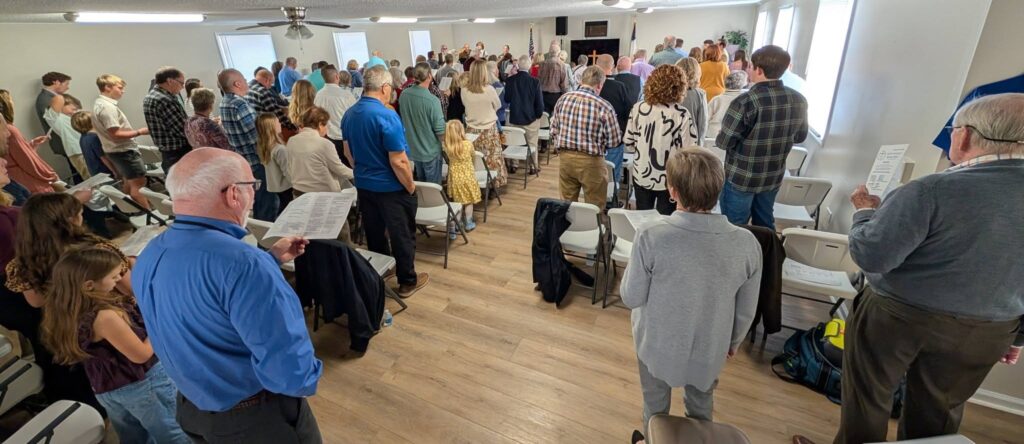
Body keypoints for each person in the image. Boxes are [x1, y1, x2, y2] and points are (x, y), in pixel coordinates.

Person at [795, 94, 1024, 444]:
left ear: (964, 136)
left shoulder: (930, 190)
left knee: (868, 398)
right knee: (939, 413)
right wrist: (1017, 336)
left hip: (899, 316)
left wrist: (865, 213)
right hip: (990, 329)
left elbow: (871, 256)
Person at [132, 148, 322, 442]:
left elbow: (202, 300)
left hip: (191, 407)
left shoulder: (149, 254)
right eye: (252, 186)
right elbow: (291, 373)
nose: (254, 195)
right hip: (254, 420)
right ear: (234, 194)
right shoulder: (244, 264)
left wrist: (269, 260)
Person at [621, 147, 761, 440]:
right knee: (701, 411)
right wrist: (733, 341)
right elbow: (746, 310)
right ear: (719, 189)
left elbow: (631, 297)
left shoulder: (651, 235)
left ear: (672, 191)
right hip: (710, 346)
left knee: (654, 408)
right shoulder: (747, 244)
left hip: (656, 343)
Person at [41, 247, 190, 443]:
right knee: (173, 431)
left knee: (133, 436)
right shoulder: (104, 317)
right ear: (89, 285)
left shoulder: (68, 311)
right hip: (143, 384)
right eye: (113, 277)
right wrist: (159, 321)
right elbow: (141, 354)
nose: (119, 279)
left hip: (106, 387)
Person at [7, 192, 132, 416]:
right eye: (80, 214)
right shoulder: (95, 249)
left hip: (63, 331)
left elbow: (35, 302)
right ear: (70, 221)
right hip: (110, 324)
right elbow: (128, 288)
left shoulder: (23, 261)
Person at [341, 66, 428, 298]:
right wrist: (410, 186)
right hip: (391, 187)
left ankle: (383, 271)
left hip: (364, 186)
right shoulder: (387, 115)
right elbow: (399, 161)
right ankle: (407, 281)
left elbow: (348, 153)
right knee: (402, 235)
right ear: (385, 87)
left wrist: (363, 171)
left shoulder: (349, 114)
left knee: (375, 233)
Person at [716, 45, 808, 230]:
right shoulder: (799, 100)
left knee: (734, 227)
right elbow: (800, 136)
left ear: (758, 70)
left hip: (741, 177)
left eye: (750, 66)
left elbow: (724, 142)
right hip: (772, 176)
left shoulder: (744, 101)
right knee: (765, 223)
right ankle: (764, 249)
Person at [625, 65, 699, 215]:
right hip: (670, 177)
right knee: (666, 219)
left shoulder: (638, 108)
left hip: (642, 172)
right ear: (679, 87)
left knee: (642, 217)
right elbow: (689, 150)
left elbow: (629, 141)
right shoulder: (681, 114)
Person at [550, 66, 621, 208]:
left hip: (565, 158)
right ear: (600, 85)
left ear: (582, 81)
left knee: (567, 205)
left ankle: (570, 223)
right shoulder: (604, 106)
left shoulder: (563, 99)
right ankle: (592, 224)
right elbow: (614, 141)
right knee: (594, 206)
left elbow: (553, 129)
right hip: (592, 161)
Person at [218, 68, 276, 221]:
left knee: (257, 201)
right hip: (257, 161)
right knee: (267, 203)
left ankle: (262, 232)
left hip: (244, 161)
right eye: (244, 79)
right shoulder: (240, 104)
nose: (247, 81)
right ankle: (267, 235)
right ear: (237, 84)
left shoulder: (224, 102)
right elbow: (256, 136)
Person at [91, 74, 150, 208]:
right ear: (107, 87)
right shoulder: (107, 107)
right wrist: (140, 132)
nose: (123, 91)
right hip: (123, 150)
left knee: (129, 181)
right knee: (138, 185)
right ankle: (149, 214)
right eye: (120, 88)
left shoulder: (99, 104)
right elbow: (115, 134)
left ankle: (130, 209)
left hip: (115, 150)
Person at [289, 106, 353, 198]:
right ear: (319, 124)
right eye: (326, 125)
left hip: (299, 193)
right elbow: (339, 170)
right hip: (323, 195)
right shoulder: (325, 144)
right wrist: (357, 174)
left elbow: (289, 168)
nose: (327, 128)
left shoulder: (291, 141)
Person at [398, 63, 446, 185]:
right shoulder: (432, 101)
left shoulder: (404, 95)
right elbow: (440, 131)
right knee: (433, 188)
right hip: (430, 151)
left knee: (422, 187)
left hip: (413, 150)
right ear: (429, 76)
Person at [595, 54, 637, 191]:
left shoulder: (589, 86)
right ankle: (612, 197)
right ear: (612, 67)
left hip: (592, 136)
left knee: (594, 172)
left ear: (596, 65)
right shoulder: (619, 86)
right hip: (614, 136)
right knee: (612, 174)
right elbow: (629, 110)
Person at [462, 60, 506, 187]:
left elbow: (465, 105)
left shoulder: (464, 90)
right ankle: (493, 185)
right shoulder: (489, 89)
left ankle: (476, 183)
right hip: (489, 130)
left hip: (471, 130)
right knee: (492, 159)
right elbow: (498, 105)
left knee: (475, 159)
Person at [143, 66, 193, 171]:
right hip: (178, 152)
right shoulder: (165, 99)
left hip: (167, 152)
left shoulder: (151, 95)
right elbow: (183, 129)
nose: (182, 87)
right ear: (170, 81)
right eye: (181, 83)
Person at [35, 72, 78, 182]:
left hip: (68, 140)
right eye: (66, 84)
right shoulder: (46, 99)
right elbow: (54, 122)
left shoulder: (49, 97)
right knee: (78, 171)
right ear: (56, 82)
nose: (67, 87)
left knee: (77, 170)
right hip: (65, 140)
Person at [505, 54, 545, 171]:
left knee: (515, 142)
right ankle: (533, 166)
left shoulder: (510, 80)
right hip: (531, 118)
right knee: (532, 144)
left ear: (518, 65)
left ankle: (514, 165)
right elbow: (539, 104)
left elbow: (507, 99)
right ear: (530, 66)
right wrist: (538, 116)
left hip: (515, 117)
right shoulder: (535, 82)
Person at [443, 119, 481, 234]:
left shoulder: (447, 147)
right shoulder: (468, 144)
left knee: (458, 202)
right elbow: (473, 157)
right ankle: (468, 223)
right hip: (468, 177)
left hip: (455, 179)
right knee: (468, 202)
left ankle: (455, 225)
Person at [314, 67, 358, 161]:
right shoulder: (346, 95)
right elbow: (356, 116)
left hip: (328, 138)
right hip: (346, 138)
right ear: (337, 77)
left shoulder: (318, 95)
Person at [43, 94, 90, 179]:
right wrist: (63, 96)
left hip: (86, 148)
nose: (75, 112)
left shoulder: (71, 118)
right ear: (62, 105)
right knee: (91, 176)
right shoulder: (56, 119)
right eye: (73, 109)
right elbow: (58, 98)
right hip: (77, 152)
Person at [247, 67, 298, 141]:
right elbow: (277, 114)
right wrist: (293, 127)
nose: (270, 86)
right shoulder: (263, 91)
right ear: (266, 80)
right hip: (268, 128)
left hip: (256, 128)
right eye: (271, 83)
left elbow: (264, 105)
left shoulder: (248, 86)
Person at [256, 113, 292, 216]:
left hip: (276, 187)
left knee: (282, 208)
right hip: (286, 187)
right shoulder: (280, 149)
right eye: (278, 122)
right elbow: (288, 172)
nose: (280, 123)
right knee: (286, 210)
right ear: (271, 127)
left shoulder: (264, 146)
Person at [70, 111, 115, 177]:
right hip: (105, 171)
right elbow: (103, 157)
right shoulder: (94, 137)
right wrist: (114, 171)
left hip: (95, 172)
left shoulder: (83, 138)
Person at [677, 58, 709, 145]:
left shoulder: (670, 92)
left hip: (672, 138)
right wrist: (700, 144)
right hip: (691, 140)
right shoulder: (700, 94)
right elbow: (702, 123)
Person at [707, 72, 748, 140]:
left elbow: (706, 118)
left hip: (713, 134)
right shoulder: (745, 100)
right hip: (736, 137)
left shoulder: (716, 99)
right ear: (742, 85)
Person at [540, 44, 568, 115]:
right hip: (556, 95)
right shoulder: (562, 65)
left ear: (549, 52)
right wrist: (565, 96)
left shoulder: (542, 64)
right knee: (555, 116)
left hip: (543, 94)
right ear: (558, 53)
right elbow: (564, 84)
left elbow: (539, 79)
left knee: (545, 117)